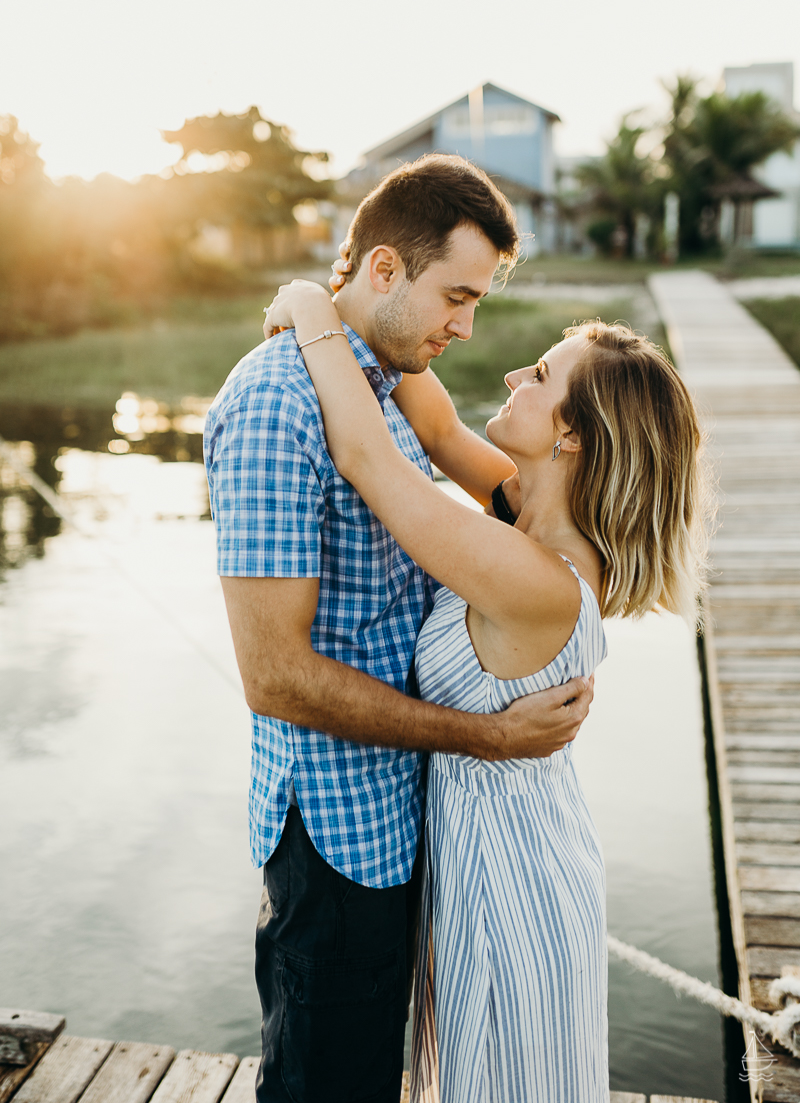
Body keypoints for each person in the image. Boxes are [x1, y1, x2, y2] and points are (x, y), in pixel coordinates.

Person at [203, 153, 594, 1103]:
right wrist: (488, 738)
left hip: (413, 818)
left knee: (377, 1075)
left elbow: (407, 455)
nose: (469, 327)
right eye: (457, 296)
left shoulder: (382, 385)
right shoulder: (276, 405)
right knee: (325, 1081)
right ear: (384, 270)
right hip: (339, 832)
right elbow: (276, 679)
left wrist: (309, 303)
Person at [262, 276, 709, 1103]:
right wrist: (354, 301)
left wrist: (305, 303)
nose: (512, 377)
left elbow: (370, 458)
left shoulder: (535, 574)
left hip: (513, 886)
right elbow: (431, 426)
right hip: (494, 853)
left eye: (539, 376)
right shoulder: (522, 512)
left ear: (571, 434)